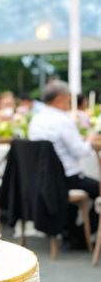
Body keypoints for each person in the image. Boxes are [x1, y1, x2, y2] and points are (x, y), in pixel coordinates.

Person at [28, 80, 101, 242]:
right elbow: (80, 151)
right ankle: (80, 236)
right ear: (60, 99)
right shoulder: (62, 120)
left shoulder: (36, 119)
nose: (69, 102)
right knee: (98, 189)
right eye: (68, 99)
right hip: (65, 178)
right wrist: (89, 140)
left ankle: (70, 230)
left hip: (43, 179)